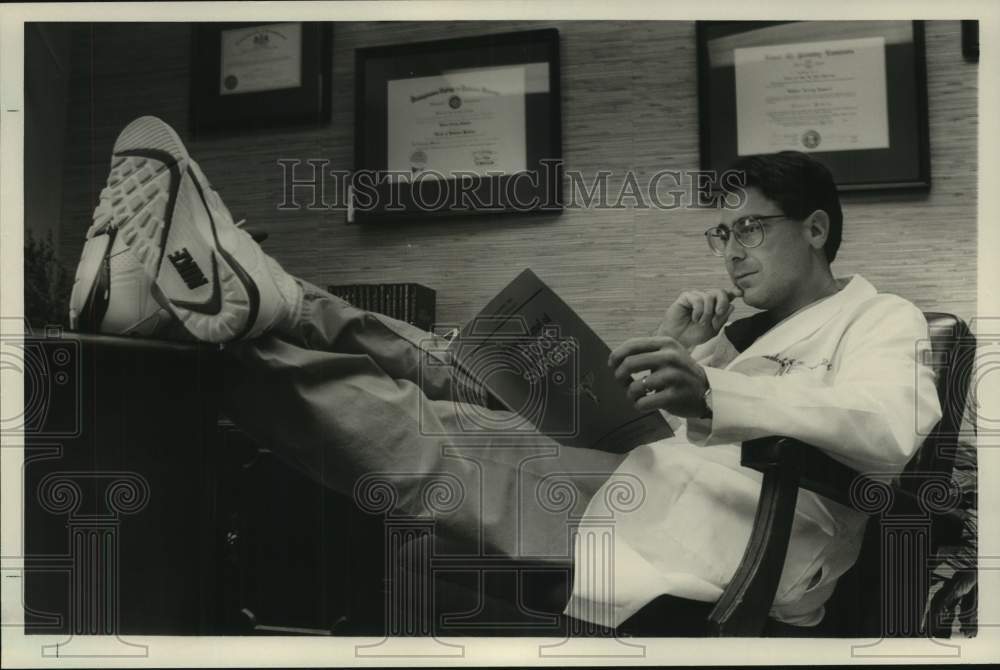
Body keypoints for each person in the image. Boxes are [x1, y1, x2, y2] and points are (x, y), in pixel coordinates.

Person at [68, 116, 941, 634]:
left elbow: (886, 428)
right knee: (460, 369)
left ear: (816, 229)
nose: (732, 251)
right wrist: (675, 347)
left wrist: (712, 388)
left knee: (434, 432)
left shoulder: (884, 319)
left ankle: (204, 314)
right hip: (646, 477)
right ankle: (273, 302)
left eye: (750, 228)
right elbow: (671, 421)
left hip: (738, 538)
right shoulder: (742, 336)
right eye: (723, 234)